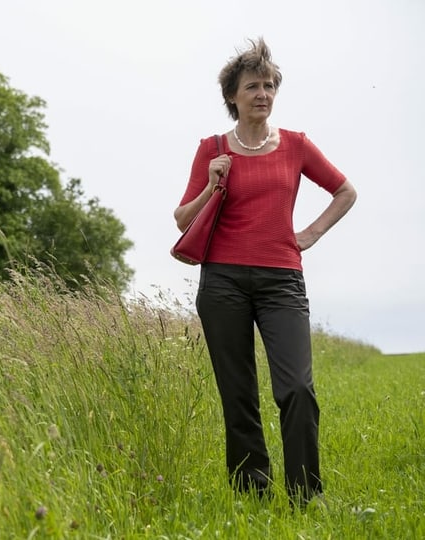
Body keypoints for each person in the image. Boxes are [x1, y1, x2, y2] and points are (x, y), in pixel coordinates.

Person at [173, 38, 357, 507]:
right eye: (252, 86)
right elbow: (182, 218)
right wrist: (212, 182)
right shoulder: (211, 149)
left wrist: (310, 233)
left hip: (281, 281)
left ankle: (304, 496)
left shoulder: (296, 145)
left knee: (296, 386)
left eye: (269, 85)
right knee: (238, 394)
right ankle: (252, 496)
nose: (263, 93)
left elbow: (344, 191)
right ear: (232, 96)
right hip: (223, 282)